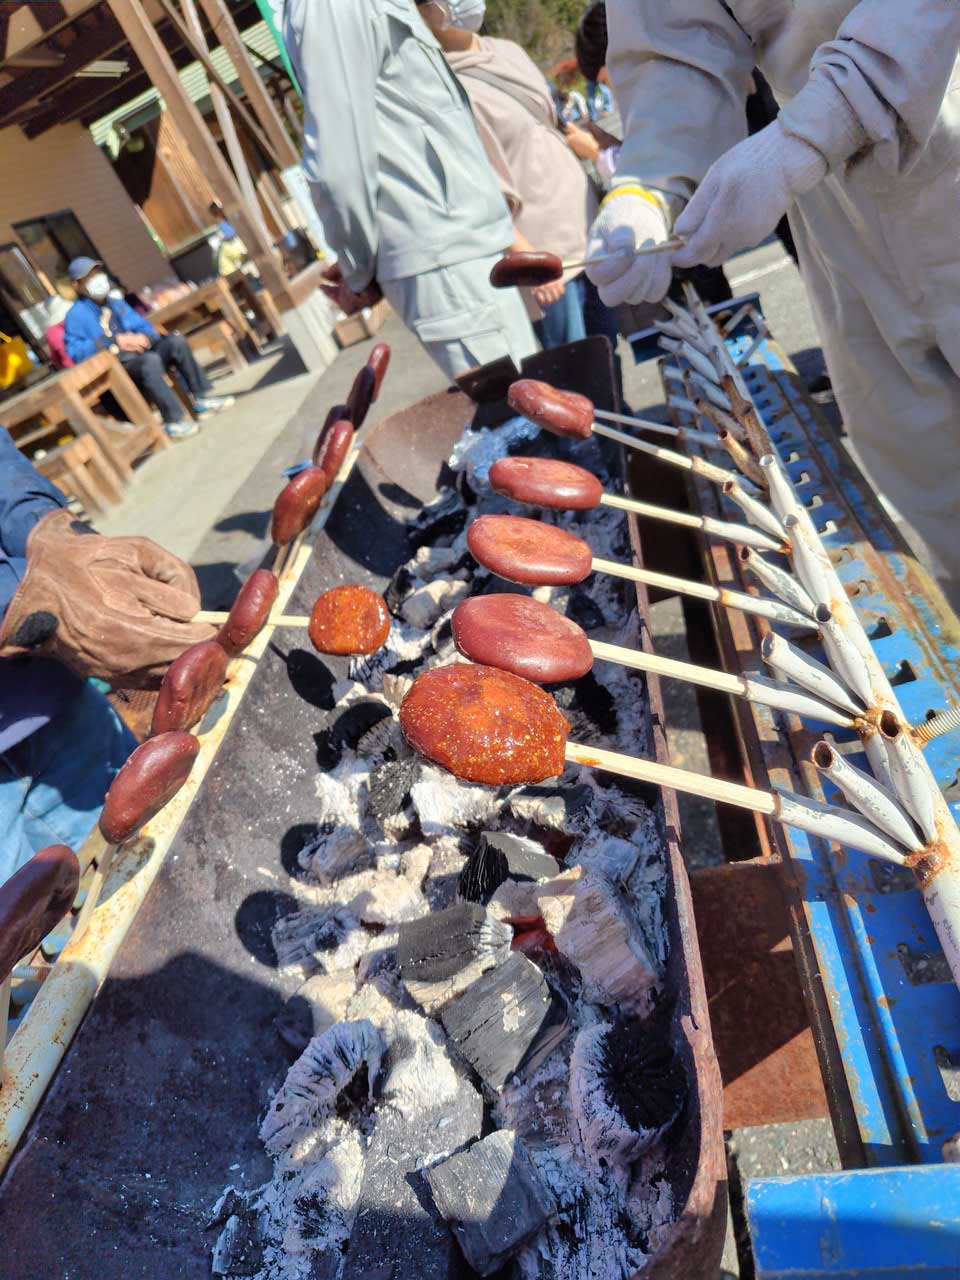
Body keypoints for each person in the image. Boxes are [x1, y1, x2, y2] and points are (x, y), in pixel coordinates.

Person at [587, 2, 960, 587]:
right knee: (927, 469)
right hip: (835, 199)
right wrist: (650, 180)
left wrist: (823, 121)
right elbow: (672, 39)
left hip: (941, 102)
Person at [282, 0, 538, 381]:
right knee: (520, 417)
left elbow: (466, 12)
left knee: (532, 407)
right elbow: (339, 164)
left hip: (462, 246)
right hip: (444, 254)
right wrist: (359, 270)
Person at [0, 428, 213, 880]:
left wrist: (52, 535)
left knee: (165, 868)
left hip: (45, 694)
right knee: (41, 946)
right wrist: (25, 597)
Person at [419, 0, 611, 351]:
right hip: (547, 261)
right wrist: (525, 260)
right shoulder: (440, 90)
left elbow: (553, 121)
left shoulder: (508, 51)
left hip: (591, 233)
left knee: (609, 357)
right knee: (578, 379)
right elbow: (477, 187)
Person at [63, 257, 234, 441]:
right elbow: (75, 352)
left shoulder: (115, 303)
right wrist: (112, 341)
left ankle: (202, 398)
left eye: (97, 274)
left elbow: (144, 327)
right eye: (89, 278)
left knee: (176, 342)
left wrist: (144, 337)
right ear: (77, 285)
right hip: (120, 368)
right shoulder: (75, 316)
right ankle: (173, 421)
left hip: (143, 353)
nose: (97, 280)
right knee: (149, 362)